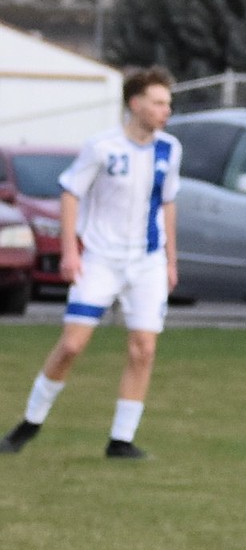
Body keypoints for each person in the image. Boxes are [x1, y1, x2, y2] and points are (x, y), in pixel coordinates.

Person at [1, 66, 181, 460]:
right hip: (101, 259)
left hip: (146, 262)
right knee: (71, 345)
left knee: (143, 350)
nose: (166, 110)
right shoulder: (102, 147)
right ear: (136, 104)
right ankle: (29, 422)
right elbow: (70, 193)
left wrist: (171, 260)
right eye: (158, 103)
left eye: (168, 103)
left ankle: (121, 439)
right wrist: (71, 251)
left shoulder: (170, 149)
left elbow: (168, 203)